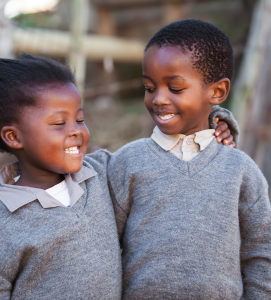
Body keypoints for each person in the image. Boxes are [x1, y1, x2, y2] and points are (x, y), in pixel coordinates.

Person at [0, 53, 236, 300]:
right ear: (14, 137)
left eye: (80, 119)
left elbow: (163, 157)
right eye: (59, 123)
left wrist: (211, 126)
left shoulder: (102, 174)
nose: (76, 130)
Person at [108, 19, 271, 300]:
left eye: (175, 88)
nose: (158, 99)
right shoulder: (127, 163)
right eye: (149, 88)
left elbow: (261, 252)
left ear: (217, 92)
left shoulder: (241, 170)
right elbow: (102, 247)